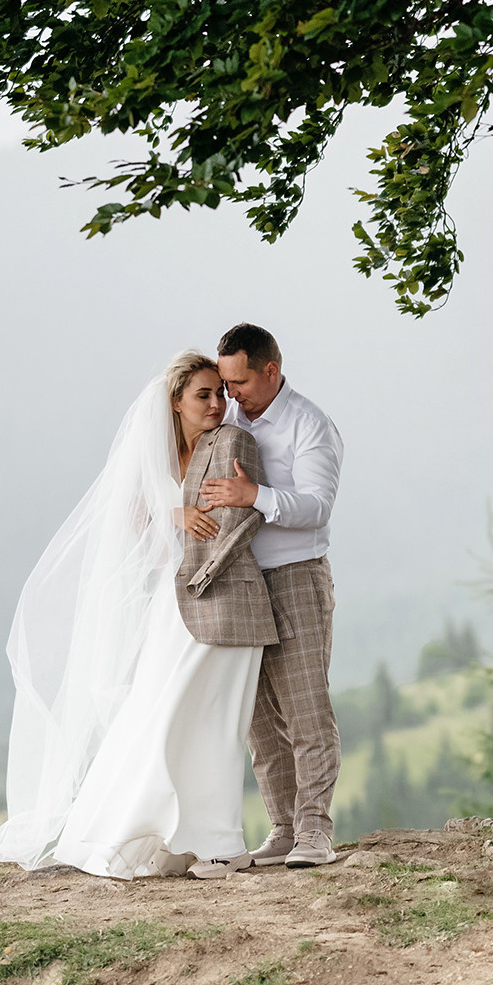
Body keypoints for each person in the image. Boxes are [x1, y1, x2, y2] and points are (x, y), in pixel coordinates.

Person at [0, 352, 270, 878]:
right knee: (160, 713)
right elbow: (130, 517)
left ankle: (203, 838)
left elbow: (240, 520)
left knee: (211, 718)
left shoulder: (229, 444)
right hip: (175, 603)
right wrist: (175, 513)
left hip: (220, 600)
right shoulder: (157, 456)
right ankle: (147, 831)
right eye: (202, 395)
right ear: (176, 403)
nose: (216, 403)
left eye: (219, 393)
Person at [190, 321, 345, 868]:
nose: (230, 395)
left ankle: (314, 833)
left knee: (306, 709)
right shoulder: (226, 415)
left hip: (297, 576)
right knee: (258, 716)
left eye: (240, 383)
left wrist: (255, 496)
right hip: (239, 583)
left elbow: (317, 507)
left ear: (270, 371)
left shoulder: (310, 425)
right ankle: (281, 828)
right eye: (225, 384)